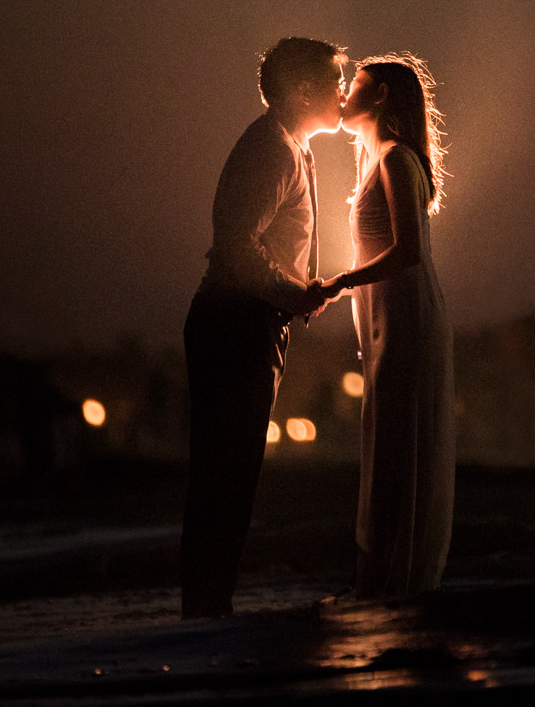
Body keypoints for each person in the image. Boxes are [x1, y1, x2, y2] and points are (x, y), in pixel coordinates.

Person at [180, 37, 343, 618]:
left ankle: (208, 603)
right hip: (236, 322)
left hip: (248, 320)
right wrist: (294, 294)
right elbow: (235, 248)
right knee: (225, 472)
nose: (342, 92)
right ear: (302, 90)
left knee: (233, 471)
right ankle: (204, 610)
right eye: (332, 80)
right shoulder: (271, 149)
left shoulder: (289, 146)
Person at [317, 53, 454, 599]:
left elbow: (410, 252)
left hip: (407, 316)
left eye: (356, 84)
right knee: (387, 438)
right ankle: (380, 576)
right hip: (384, 320)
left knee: (401, 440)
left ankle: (395, 578)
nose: (344, 94)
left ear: (380, 98)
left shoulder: (398, 159)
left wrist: (340, 281)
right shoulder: (376, 161)